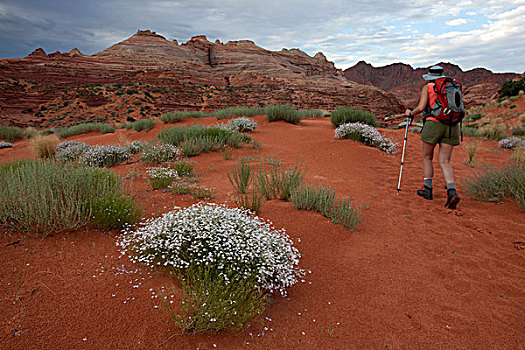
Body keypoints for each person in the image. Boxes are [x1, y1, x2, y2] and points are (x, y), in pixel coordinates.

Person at [405, 65, 461, 209]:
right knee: (445, 160)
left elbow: (421, 107)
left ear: (430, 75)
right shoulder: (452, 85)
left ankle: (428, 190)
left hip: (433, 124)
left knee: (427, 157)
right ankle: (452, 191)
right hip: (452, 125)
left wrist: (410, 113)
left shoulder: (429, 86)